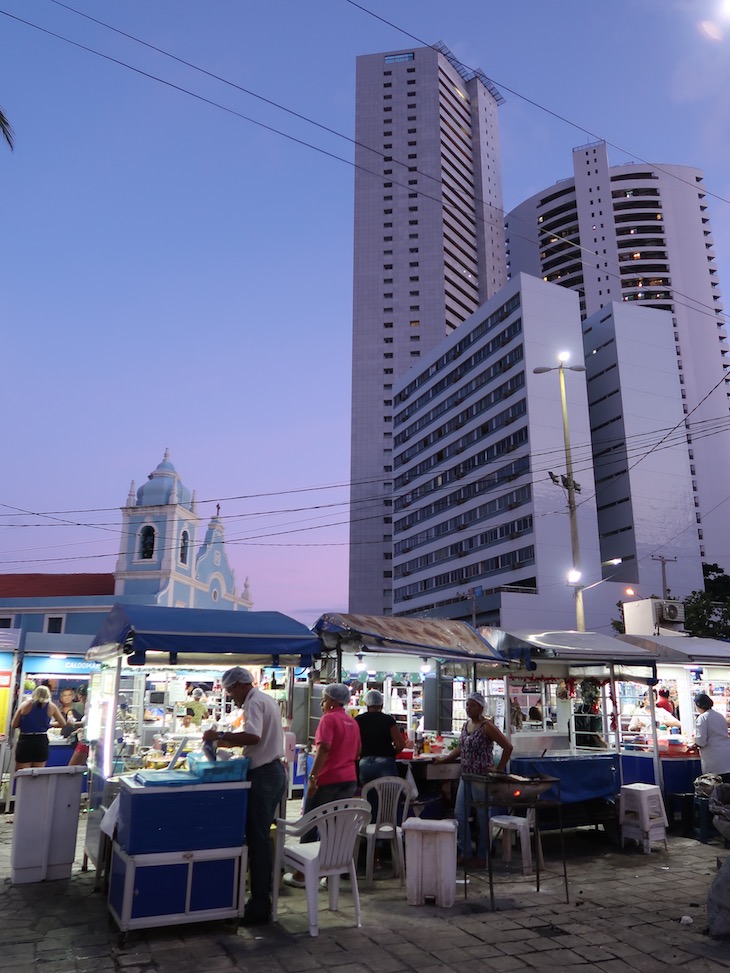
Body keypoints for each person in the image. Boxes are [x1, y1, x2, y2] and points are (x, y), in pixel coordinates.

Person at [202, 666, 287, 927]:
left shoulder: (253, 702)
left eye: (230, 690)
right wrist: (225, 742)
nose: (231, 696)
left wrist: (221, 736)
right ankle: (260, 898)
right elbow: (255, 741)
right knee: (259, 836)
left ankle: (260, 904)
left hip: (264, 776)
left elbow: (254, 735)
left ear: (240, 684)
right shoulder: (265, 699)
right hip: (272, 772)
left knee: (258, 838)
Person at [284, 683, 361, 888]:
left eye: (325, 699)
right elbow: (357, 752)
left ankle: (303, 874)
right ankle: (329, 871)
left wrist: (313, 777)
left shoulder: (328, 719)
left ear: (334, 701)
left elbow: (324, 748)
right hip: (348, 779)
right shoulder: (352, 722)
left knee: (311, 822)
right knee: (333, 825)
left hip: (327, 780)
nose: (322, 703)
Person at [437, 691, 513, 867]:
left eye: (471, 705)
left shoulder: (487, 726)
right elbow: (461, 749)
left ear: (480, 707)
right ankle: (465, 851)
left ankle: (483, 854)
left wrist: (498, 769)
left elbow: (507, 747)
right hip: (466, 775)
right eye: (467, 705)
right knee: (460, 813)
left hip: (481, 778)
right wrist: (444, 760)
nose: (468, 708)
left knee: (481, 815)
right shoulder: (466, 725)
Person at [355, 689, 404, 787]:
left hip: (364, 763)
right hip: (385, 762)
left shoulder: (358, 720)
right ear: (381, 705)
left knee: (368, 796)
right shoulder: (388, 720)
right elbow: (400, 745)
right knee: (388, 797)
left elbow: (354, 745)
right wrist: (391, 753)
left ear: (367, 704)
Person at [11, 686, 67, 769]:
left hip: (25, 740)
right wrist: (48, 724)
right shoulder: (52, 707)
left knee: (23, 774)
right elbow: (63, 723)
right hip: (41, 740)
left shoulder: (25, 705)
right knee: (37, 774)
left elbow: (14, 724)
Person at [692, 693, 730, 781]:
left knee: (715, 787)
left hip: (713, 758)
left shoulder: (702, 718)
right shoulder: (719, 716)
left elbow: (701, 741)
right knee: (726, 787)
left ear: (698, 705)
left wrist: (694, 742)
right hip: (726, 754)